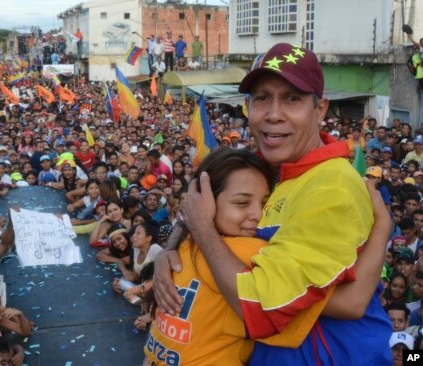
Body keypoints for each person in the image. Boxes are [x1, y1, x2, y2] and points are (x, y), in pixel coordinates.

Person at [153, 43, 392, 364]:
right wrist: (171, 250)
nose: (274, 114)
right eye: (262, 98)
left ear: (320, 109)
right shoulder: (266, 168)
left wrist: (203, 234)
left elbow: (263, 306)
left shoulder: (331, 186)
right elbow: (199, 206)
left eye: (292, 98)